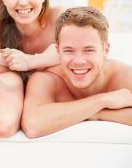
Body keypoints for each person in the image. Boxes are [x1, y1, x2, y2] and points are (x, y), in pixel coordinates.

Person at [21, 7, 132, 139]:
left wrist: (97, 114)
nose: (79, 61)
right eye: (69, 50)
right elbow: (33, 125)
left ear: (105, 49)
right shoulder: (46, 79)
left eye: (89, 50)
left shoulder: (123, 75)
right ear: (57, 50)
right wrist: (102, 102)